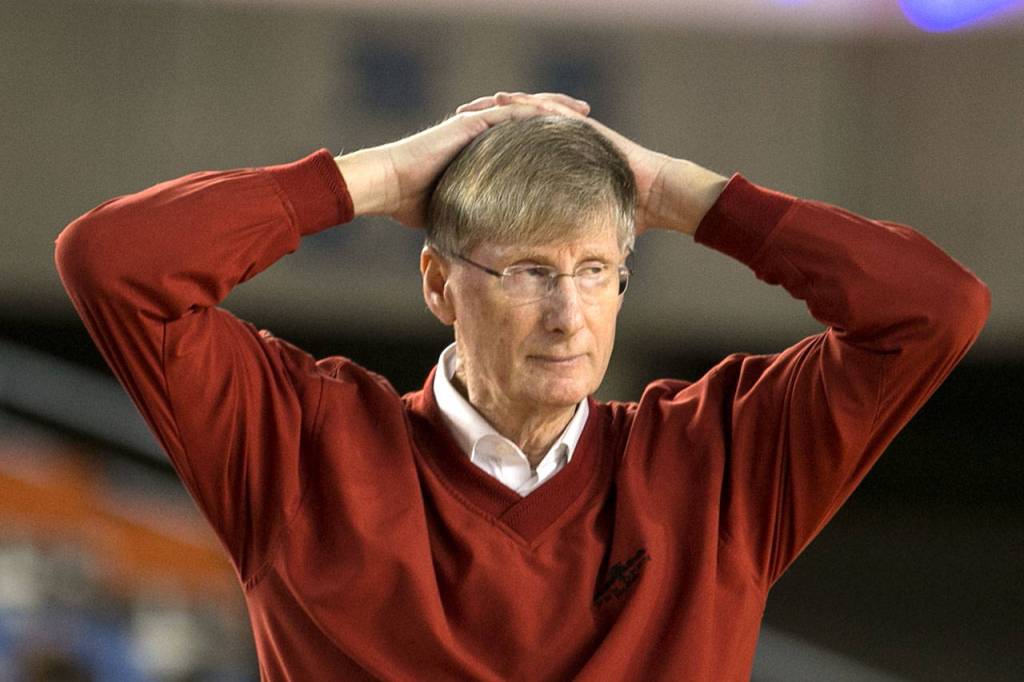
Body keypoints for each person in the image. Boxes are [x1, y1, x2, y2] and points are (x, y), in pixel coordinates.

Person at [55, 92, 989, 680]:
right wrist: (378, 176)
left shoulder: (717, 461)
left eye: (596, 271)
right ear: (436, 283)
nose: (568, 315)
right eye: (530, 271)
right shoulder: (300, 444)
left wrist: (678, 192)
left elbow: (935, 307)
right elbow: (113, 262)